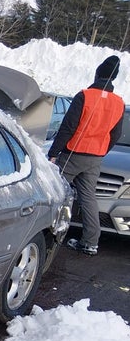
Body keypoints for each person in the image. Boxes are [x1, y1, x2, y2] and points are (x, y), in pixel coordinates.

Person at [48, 55, 124, 256]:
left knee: (59, 192)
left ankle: (52, 233)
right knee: (88, 197)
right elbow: (115, 134)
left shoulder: (85, 96)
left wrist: (54, 152)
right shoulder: (119, 103)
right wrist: (101, 150)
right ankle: (91, 242)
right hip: (96, 157)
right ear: (114, 78)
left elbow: (68, 127)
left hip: (73, 153)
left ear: (98, 73)